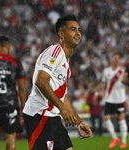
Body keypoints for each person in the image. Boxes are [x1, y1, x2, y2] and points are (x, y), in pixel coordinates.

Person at [23, 14, 92, 150]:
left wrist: (78, 122)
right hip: (40, 114)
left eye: (79, 30)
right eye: (73, 29)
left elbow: (62, 97)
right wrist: (61, 108)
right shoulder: (55, 51)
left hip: (53, 117)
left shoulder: (66, 65)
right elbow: (40, 81)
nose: (78, 33)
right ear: (61, 34)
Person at [101, 53, 128, 148]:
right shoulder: (106, 70)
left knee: (121, 119)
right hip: (109, 99)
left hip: (120, 99)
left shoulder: (123, 71)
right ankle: (115, 138)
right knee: (106, 118)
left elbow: (127, 83)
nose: (116, 60)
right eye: (115, 58)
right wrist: (101, 89)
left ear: (120, 61)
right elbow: (103, 83)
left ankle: (124, 141)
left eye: (118, 58)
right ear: (111, 59)